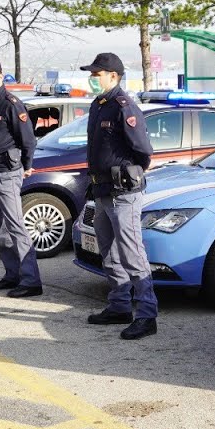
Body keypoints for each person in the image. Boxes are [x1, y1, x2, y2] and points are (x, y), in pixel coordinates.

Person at [81, 53, 158, 339]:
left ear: (113, 76)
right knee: (109, 253)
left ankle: (147, 314)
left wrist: (126, 173)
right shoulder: (98, 105)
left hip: (123, 193)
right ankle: (120, 305)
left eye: (96, 74)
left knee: (131, 253)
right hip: (102, 191)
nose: (92, 78)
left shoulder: (123, 107)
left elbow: (144, 152)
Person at [0, 57, 40, 297]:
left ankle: (31, 280)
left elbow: (28, 139)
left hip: (7, 172)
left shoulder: (11, 103)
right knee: (1, 228)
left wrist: (27, 165)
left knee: (15, 226)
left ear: (0, 76)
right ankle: (12, 274)